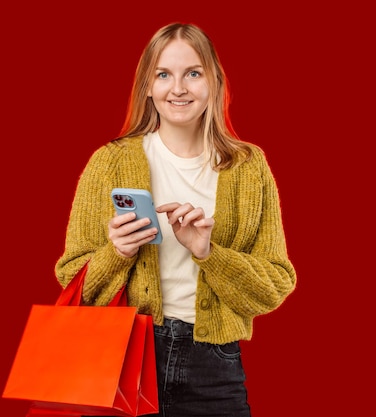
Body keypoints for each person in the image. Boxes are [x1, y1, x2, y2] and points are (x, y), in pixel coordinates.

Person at [55, 22, 297, 417]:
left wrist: (207, 251)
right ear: (147, 86)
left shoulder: (249, 168)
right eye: (164, 74)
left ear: (214, 82)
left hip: (214, 367)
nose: (179, 88)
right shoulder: (110, 161)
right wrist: (117, 251)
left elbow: (275, 285)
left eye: (193, 73)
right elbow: (71, 276)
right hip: (122, 357)